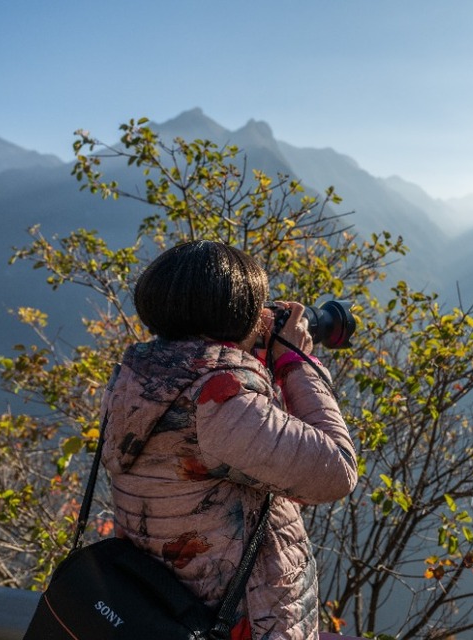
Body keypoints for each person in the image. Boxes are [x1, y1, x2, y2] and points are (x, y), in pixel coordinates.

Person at [99, 240, 358, 640]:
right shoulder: (218, 404)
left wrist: (246, 361)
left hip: (165, 611)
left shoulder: (137, 382)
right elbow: (337, 470)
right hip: (232, 626)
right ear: (238, 317)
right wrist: (295, 362)